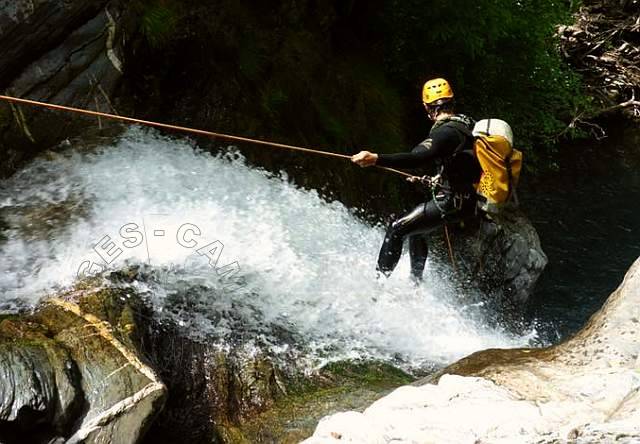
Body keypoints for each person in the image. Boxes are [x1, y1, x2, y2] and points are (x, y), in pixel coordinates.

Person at [351, 78, 481, 282]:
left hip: (453, 201)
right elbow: (463, 164)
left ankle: (377, 285)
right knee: (416, 231)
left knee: (397, 228)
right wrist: (435, 179)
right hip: (469, 200)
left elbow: (415, 158)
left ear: (428, 108)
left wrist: (375, 158)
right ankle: (416, 281)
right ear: (452, 102)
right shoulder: (467, 125)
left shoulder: (445, 132)